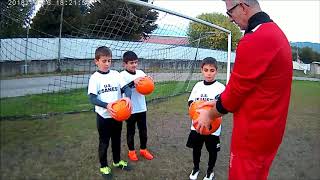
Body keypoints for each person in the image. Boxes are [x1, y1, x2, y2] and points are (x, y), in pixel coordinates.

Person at [196, 0, 293, 180]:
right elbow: (247, 87)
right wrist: (217, 102)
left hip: (253, 134)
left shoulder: (256, 38)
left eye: (229, 13)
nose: (230, 19)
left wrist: (209, 115)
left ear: (242, 6)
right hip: (269, 129)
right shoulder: (274, 32)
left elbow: (235, 94)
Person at [88, 46, 132, 178]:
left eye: (109, 61)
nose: (107, 64)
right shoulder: (94, 78)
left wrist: (128, 98)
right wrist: (107, 105)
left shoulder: (116, 75)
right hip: (103, 116)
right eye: (104, 61)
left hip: (117, 116)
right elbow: (92, 98)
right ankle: (103, 166)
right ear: (97, 61)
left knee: (117, 140)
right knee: (104, 142)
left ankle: (117, 162)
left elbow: (126, 88)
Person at [186, 57, 225, 180]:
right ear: (201, 70)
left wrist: (208, 112)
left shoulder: (221, 88)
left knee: (212, 151)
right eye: (206, 70)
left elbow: (222, 106)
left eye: (212, 70)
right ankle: (196, 168)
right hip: (197, 125)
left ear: (216, 71)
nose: (209, 73)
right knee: (196, 148)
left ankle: (210, 171)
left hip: (213, 128)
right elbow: (191, 102)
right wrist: (197, 109)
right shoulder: (197, 86)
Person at [119, 51, 154, 161]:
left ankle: (143, 149)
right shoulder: (121, 75)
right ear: (124, 64)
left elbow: (147, 87)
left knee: (143, 130)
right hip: (129, 109)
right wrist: (133, 82)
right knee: (131, 131)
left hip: (141, 107)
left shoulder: (141, 72)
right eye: (131, 63)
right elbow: (121, 90)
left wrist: (150, 81)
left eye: (135, 62)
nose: (134, 65)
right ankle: (131, 151)